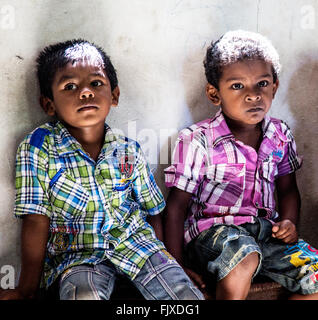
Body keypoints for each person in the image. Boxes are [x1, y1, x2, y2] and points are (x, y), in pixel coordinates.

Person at [0, 39, 204, 300]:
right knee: (82, 295)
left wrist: (173, 264)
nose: (85, 92)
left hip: (139, 247)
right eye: (70, 86)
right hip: (78, 257)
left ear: (114, 95)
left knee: (185, 297)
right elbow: (36, 219)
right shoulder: (38, 147)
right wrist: (27, 290)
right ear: (48, 104)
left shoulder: (128, 150)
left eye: (96, 83)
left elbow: (153, 212)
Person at [163, 30, 318, 300]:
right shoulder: (198, 140)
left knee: (314, 271)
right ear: (214, 94)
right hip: (213, 236)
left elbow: (288, 189)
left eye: (262, 83)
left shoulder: (280, 134)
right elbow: (176, 207)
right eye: (237, 86)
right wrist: (176, 266)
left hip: (266, 235)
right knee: (244, 256)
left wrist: (290, 221)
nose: (253, 95)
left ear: (275, 86)